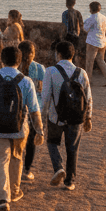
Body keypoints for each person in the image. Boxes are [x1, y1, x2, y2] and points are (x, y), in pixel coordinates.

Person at [0, 45, 45, 211]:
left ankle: (4, 197)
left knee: (1, 160)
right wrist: (40, 130)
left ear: (2, 59)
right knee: (16, 157)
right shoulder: (26, 81)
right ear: (20, 61)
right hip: (19, 129)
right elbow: (35, 110)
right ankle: (15, 192)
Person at [41, 40, 93, 191]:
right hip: (76, 118)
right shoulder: (81, 72)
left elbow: (45, 98)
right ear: (73, 54)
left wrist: (41, 120)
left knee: (52, 143)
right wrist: (88, 117)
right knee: (72, 148)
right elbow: (88, 96)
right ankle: (70, 181)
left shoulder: (50, 71)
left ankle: (58, 167)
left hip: (55, 117)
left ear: (58, 54)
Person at [17, 41, 45, 181]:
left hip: (18, 110)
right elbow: (43, 91)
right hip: (35, 109)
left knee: (16, 140)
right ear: (33, 54)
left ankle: (14, 168)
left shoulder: (16, 68)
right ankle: (27, 170)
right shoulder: (39, 68)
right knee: (31, 142)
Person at [83, 2, 106, 87]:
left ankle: (88, 80)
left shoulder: (92, 18)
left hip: (92, 42)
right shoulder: (104, 17)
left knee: (89, 61)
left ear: (91, 9)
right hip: (103, 41)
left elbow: (85, 29)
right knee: (101, 60)